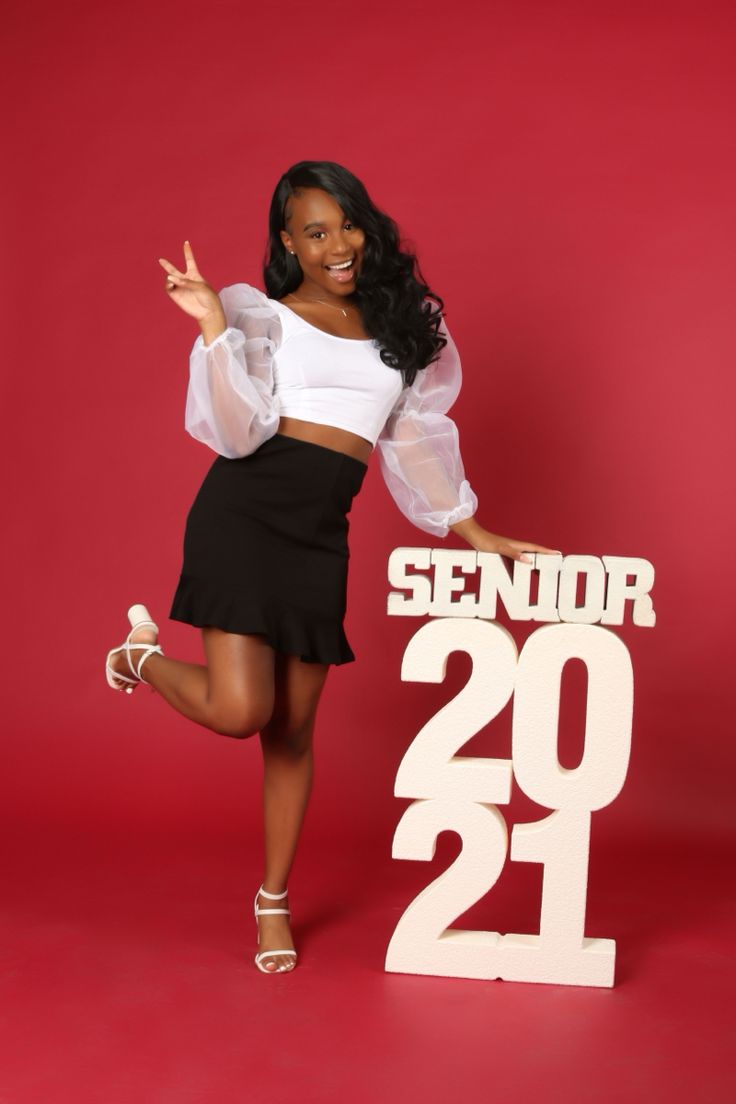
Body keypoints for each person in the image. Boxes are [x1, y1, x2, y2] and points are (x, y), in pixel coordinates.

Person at [105, 160, 560, 975]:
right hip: (244, 517)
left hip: (322, 534)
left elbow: (412, 437)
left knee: (292, 732)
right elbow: (238, 433)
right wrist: (213, 327)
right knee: (243, 709)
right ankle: (138, 657)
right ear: (289, 242)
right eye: (315, 233)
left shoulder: (400, 327)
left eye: (347, 224)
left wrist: (472, 529)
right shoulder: (262, 317)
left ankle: (272, 899)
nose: (338, 245)